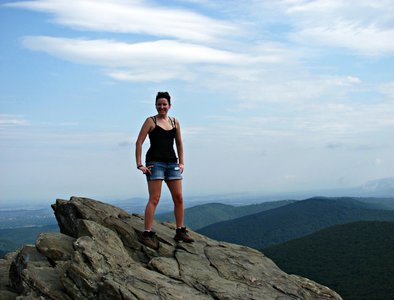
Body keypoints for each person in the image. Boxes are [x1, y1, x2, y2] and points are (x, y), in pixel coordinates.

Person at [135, 91, 194, 249]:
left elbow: (179, 144)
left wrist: (182, 163)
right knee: (154, 198)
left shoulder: (175, 122)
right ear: (156, 105)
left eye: (164, 104)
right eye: (159, 104)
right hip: (155, 163)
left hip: (171, 163)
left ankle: (180, 230)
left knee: (179, 197)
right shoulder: (150, 121)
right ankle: (147, 233)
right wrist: (139, 164)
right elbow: (139, 142)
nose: (162, 107)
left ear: (169, 106)